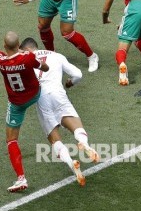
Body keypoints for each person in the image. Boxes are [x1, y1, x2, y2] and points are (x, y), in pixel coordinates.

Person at [0, 18, 49, 192]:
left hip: (17, 103)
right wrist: (28, 56)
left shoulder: (1, 61)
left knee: (11, 139)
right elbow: (45, 68)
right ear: (19, 44)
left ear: (5, 46)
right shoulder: (28, 57)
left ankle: (21, 178)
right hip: (34, 95)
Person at [19, 37, 100, 187]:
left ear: (28, 50)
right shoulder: (56, 56)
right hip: (59, 93)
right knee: (76, 125)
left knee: (54, 139)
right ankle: (84, 144)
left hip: (42, 98)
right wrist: (70, 83)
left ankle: (71, 163)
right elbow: (78, 74)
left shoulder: (26, 60)